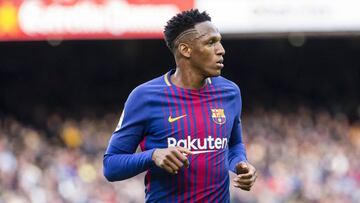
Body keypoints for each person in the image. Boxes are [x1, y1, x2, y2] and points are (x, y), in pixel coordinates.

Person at [103, 9, 257, 202]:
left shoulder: (230, 92)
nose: (221, 49)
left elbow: (234, 144)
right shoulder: (144, 97)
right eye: (210, 42)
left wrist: (240, 163)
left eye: (219, 41)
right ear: (185, 50)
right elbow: (111, 166)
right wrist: (153, 156)